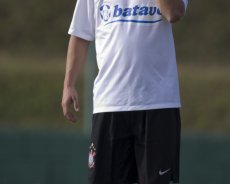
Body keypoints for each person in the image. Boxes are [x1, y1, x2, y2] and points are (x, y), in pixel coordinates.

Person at [61, 0, 188, 183]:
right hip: (110, 103)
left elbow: (174, 13)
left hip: (158, 104)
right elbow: (80, 34)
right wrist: (69, 84)